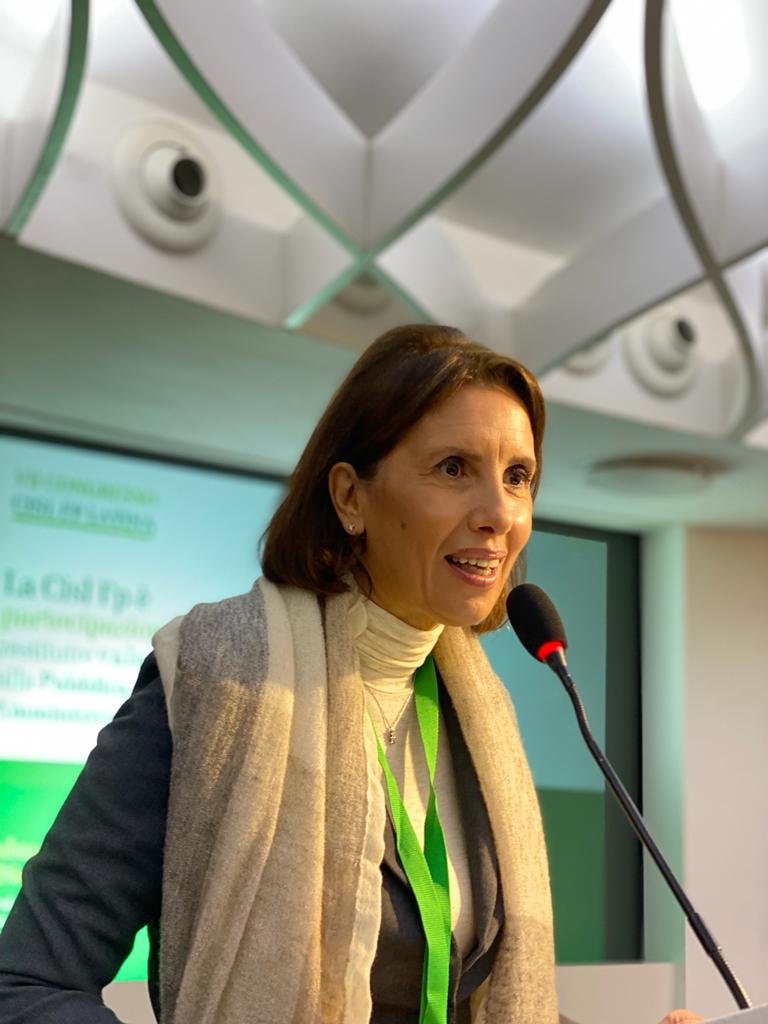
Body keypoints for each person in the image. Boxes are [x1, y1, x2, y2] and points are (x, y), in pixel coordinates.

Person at [0, 324, 702, 1024]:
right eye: (453, 468)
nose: (499, 515)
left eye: (517, 477)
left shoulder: (478, 718)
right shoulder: (215, 682)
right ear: (350, 498)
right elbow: (24, 983)